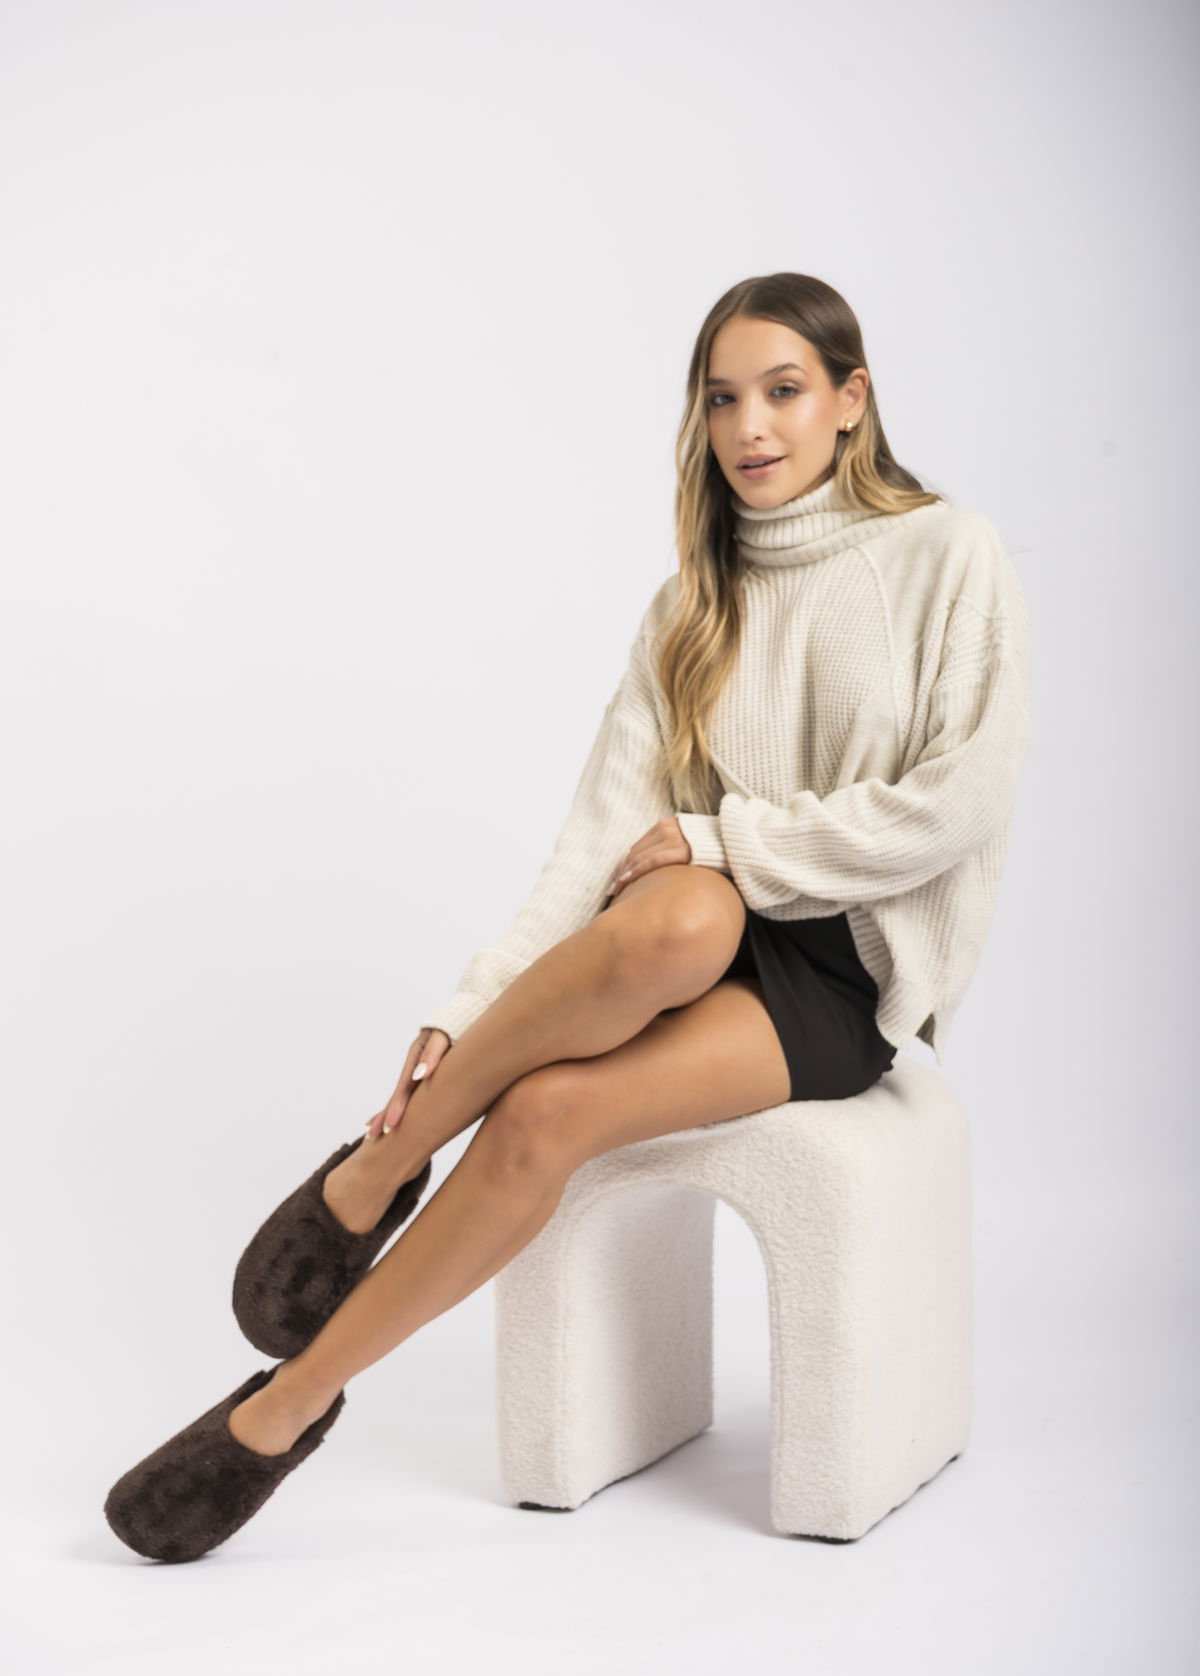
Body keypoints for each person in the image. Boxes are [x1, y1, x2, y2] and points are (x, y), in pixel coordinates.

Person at [103, 272, 1033, 1561]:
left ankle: (284, 1407)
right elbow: (599, 840)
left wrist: (729, 839)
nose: (751, 427)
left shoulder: (949, 555)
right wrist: (470, 1004)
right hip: (695, 929)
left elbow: (958, 803)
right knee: (678, 919)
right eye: (723, 399)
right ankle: (379, 1166)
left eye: (783, 391)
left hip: (839, 975)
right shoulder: (691, 603)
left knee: (566, 1084)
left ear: (850, 400)